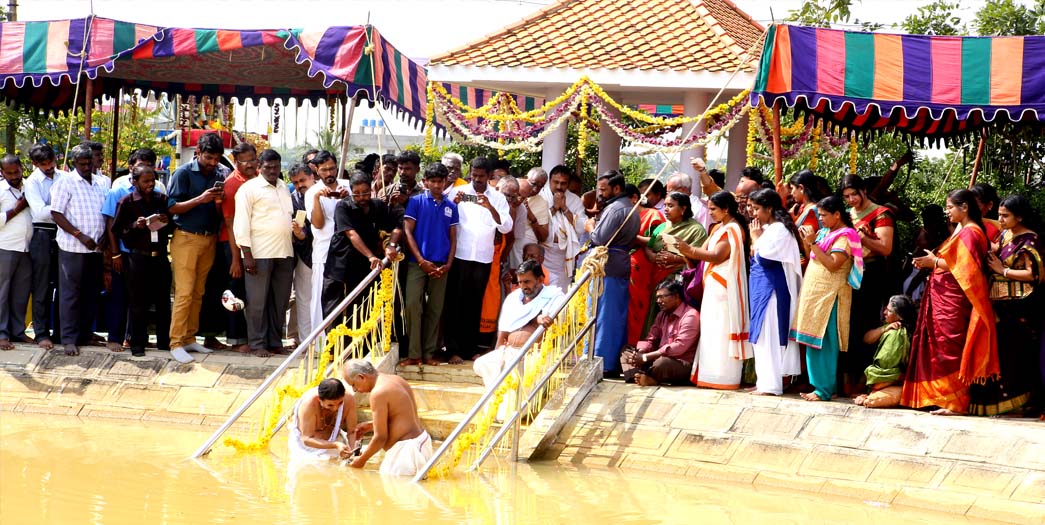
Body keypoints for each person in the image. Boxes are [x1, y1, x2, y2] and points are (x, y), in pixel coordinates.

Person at [903, 189, 997, 415]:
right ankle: (940, 397)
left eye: (950, 207)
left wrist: (934, 262)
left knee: (950, 347)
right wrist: (930, 262)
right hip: (942, 295)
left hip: (955, 298)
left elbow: (967, 268)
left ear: (964, 207)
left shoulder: (972, 233)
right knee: (938, 346)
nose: (947, 212)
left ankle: (956, 402)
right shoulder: (960, 230)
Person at [674, 191, 751, 390]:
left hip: (724, 286)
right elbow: (703, 251)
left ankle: (723, 378)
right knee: (710, 329)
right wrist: (682, 249)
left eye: (714, 209)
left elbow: (717, 256)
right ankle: (709, 375)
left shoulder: (733, 228)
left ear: (726, 209)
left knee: (722, 329)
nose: (711, 213)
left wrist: (688, 249)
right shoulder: (718, 227)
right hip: (712, 284)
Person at [791, 196, 864, 402]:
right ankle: (819, 387)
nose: (820, 218)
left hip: (831, 296)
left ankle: (823, 389)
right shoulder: (824, 232)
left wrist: (813, 243)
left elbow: (833, 264)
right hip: (815, 294)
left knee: (824, 342)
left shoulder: (845, 236)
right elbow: (813, 255)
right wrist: (809, 242)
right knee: (812, 340)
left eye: (823, 215)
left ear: (837, 215)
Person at [975, 194, 1041, 416]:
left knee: (1016, 355)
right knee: (1001, 354)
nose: (1000, 220)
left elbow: (1034, 275)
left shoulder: (1030, 240)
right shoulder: (1005, 235)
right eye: (999, 215)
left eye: (1005, 216)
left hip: (1020, 305)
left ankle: (1021, 405)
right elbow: (993, 248)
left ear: (1019, 217)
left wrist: (1001, 271)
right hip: (998, 304)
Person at [444, 157, 513, 364]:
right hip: (459, 255)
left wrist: (490, 207)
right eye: (473, 175)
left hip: (483, 258)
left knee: (475, 304)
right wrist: (452, 204)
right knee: (455, 303)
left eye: (481, 177)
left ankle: (470, 348)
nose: (476, 180)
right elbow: (444, 214)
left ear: (489, 176)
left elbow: (506, 227)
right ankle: (453, 350)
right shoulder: (458, 191)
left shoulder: (498, 198)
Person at [167, 132, 228, 363]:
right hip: (186, 237)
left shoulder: (220, 173)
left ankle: (190, 337)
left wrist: (217, 201)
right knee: (184, 292)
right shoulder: (182, 173)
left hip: (209, 238)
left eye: (217, 159)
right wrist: (200, 199)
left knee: (198, 292)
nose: (213, 163)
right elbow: (172, 207)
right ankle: (176, 342)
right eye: (209, 158)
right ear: (198, 154)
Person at [473, 260, 562, 419]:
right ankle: (497, 412)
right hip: (509, 351)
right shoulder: (513, 298)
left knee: (518, 374)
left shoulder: (553, 296)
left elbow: (557, 328)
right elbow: (504, 329)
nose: (523, 286)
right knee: (483, 363)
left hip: (536, 354)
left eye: (527, 281)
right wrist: (499, 353)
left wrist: (542, 320)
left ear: (540, 279)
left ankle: (510, 416)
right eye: (520, 282)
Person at [234, 149, 295, 358]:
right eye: (267, 167)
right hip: (258, 253)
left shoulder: (284, 187)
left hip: (285, 251)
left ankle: (275, 342)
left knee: (280, 301)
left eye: (275, 167)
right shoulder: (248, 189)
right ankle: (257, 344)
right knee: (257, 302)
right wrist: (246, 254)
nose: (272, 170)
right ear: (259, 166)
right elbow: (240, 223)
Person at [840, 174, 896, 396]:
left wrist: (860, 238)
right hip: (848, 273)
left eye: (854, 194)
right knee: (848, 326)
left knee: (865, 324)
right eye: (847, 196)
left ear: (864, 190)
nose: (851, 199)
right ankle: (846, 379)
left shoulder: (881, 213)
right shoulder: (847, 214)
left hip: (871, 274)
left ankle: (864, 379)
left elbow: (885, 248)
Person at [50, 144, 108, 357]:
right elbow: (56, 213)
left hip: (96, 249)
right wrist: (79, 234)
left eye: (88, 162)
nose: (86, 166)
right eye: (82, 163)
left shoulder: (101, 183)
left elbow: (105, 213)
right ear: (73, 163)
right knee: (70, 295)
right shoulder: (65, 182)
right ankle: (68, 339)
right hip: (73, 247)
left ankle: (85, 334)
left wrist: (103, 237)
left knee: (90, 294)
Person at [747, 189, 804, 396]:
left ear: (769, 208)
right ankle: (764, 382)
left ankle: (771, 385)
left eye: (756, 208)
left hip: (773, 290)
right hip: (761, 288)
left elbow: (765, 258)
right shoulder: (770, 228)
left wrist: (755, 239)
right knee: (760, 336)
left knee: (769, 335)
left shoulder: (779, 229)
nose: (753, 213)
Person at [111, 165, 173, 357]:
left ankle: (164, 341)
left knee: (163, 300)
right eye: (145, 181)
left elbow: (172, 223)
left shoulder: (161, 199)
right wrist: (135, 226)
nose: (149, 185)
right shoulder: (127, 202)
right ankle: (138, 343)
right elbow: (117, 230)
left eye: (152, 181)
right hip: (138, 257)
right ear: (135, 181)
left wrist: (165, 220)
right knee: (138, 302)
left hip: (160, 256)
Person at [401, 163, 458, 366]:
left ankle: (428, 354)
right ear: (425, 181)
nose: (436, 185)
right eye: (432, 181)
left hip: (441, 264)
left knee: (435, 309)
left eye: (440, 181)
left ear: (445, 182)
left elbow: (453, 238)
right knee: (412, 305)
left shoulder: (451, 207)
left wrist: (449, 264)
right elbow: (407, 232)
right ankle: (414, 354)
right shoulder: (415, 202)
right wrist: (421, 261)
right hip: (417, 264)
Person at [322, 172, 401, 317]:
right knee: (336, 313)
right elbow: (352, 234)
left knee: (362, 311)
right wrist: (370, 256)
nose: (361, 198)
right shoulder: (343, 207)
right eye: (356, 194)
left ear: (371, 190)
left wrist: (391, 244)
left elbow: (396, 227)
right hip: (341, 267)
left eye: (365, 193)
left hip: (364, 268)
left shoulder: (378, 205)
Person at [585, 171, 640, 378]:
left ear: (616, 189)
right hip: (619, 263)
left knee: (603, 315)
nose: (600, 193)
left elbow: (599, 238)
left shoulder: (616, 208)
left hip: (608, 266)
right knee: (614, 315)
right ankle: (609, 361)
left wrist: (590, 226)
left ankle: (601, 360)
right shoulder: (631, 208)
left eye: (603, 189)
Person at [634, 192, 707, 343]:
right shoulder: (662, 226)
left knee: (674, 316)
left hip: (679, 282)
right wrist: (653, 256)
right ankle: (648, 350)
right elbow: (651, 244)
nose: (666, 209)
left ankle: (672, 350)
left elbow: (700, 256)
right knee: (654, 315)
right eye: (665, 205)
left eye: (671, 206)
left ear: (683, 208)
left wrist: (676, 258)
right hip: (657, 279)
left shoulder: (696, 229)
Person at [343, 359, 432, 476]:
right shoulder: (396, 379)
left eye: (353, 385)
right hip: (422, 442)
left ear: (361, 377)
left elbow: (380, 437)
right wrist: (371, 425)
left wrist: (361, 460)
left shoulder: (378, 393)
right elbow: (402, 415)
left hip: (406, 452)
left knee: (399, 491)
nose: (355, 390)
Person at [215, 142, 258, 354]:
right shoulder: (232, 184)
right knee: (235, 292)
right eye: (244, 161)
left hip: (254, 243)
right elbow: (230, 224)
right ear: (235, 162)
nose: (250, 165)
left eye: (252, 160)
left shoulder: (260, 177)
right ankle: (237, 339)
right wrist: (235, 258)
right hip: (232, 244)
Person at [24, 143, 65, 350]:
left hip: (64, 233)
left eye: (51, 162)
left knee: (63, 285)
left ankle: (61, 331)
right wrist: (60, 209)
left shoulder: (64, 177)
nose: (49, 167)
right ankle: (41, 333)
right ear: (35, 164)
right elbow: (39, 212)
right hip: (41, 234)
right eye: (44, 164)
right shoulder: (32, 182)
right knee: (42, 285)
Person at [621, 280, 699, 386]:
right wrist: (640, 352)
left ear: (676, 296)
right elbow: (652, 338)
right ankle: (641, 377)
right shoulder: (661, 315)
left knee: (662, 363)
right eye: (657, 297)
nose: (658, 301)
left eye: (662, 296)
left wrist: (645, 357)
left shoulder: (691, 315)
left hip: (680, 363)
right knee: (627, 351)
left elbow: (680, 347)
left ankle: (648, 377)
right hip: (657, 358)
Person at [305, 151, 349, 329]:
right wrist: (317, 199)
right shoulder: (312, 192)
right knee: (322, 297)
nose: (329, 173)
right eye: (324, 170)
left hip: (348, 251)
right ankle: (322, 343)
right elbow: (317, 223)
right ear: (316, 170)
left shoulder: (347, 186)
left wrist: (348, 199)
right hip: (325, 251)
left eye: (332, 169)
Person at [854, 295, 915, 409]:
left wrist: (871, 390)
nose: (884, 312)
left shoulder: (896, 334)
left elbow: (884, 370)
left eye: (889, 311)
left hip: (892, 383)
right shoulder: (889, 328)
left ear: (899, 316)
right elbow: (866, 339)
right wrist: (883, 329)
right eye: (886, 308)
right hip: (890, 384)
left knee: (870, 402)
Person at [0, 155, 32, 350]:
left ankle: (18, 332)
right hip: (5, 247)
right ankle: (1, 334)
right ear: (2, 173)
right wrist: (17, 209)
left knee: (21, 294)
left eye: (16, 171)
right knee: (2, 293)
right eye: (9, 173)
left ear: (22, 168)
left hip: (26, 247)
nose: (14, 176)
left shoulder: (30, 186)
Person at [289, 377, 358, 462]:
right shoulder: (309, 404)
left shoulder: (349, 399)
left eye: (340, 403)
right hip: (306, 448)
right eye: (330, 405)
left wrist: (352, 453)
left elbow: (352, 431)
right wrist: (335, 445)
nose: (335, 408)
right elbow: (307, 439)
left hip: (334, 443)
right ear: (319, 399)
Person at [540, 165, 585, 290]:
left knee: (560, 295)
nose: (559, 186)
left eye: (563, 183)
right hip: (543, 253)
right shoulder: (541, 196)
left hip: (563, 257)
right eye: (556, 182)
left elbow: (581, 226)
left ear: (568, 184)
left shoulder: (575, 200)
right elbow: (536, 222)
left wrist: (564, 208)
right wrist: (554, 207)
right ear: (549, 181)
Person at [287, 163, 315, 346]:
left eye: (303, 180)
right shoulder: (294, 200)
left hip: (329, 255)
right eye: (296, 182)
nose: (300, 185)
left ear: (312, 176)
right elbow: (301, 231)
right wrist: (299, 234)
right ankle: (306, 342)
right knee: (304, 299)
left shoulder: (327, 193)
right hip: (304, 255)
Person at [510, 168, 550, 269]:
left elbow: (543, 236)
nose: (536, 189)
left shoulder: (542, 203)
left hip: (523, 244)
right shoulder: (512, 187)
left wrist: (531, 215)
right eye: (533, 184)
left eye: (540, 187)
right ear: (526, 178)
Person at [788, 169, 830, 239]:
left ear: (801, 188)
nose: (791, 193)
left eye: (792, 188)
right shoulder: (804, 208)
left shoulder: (812, 212)